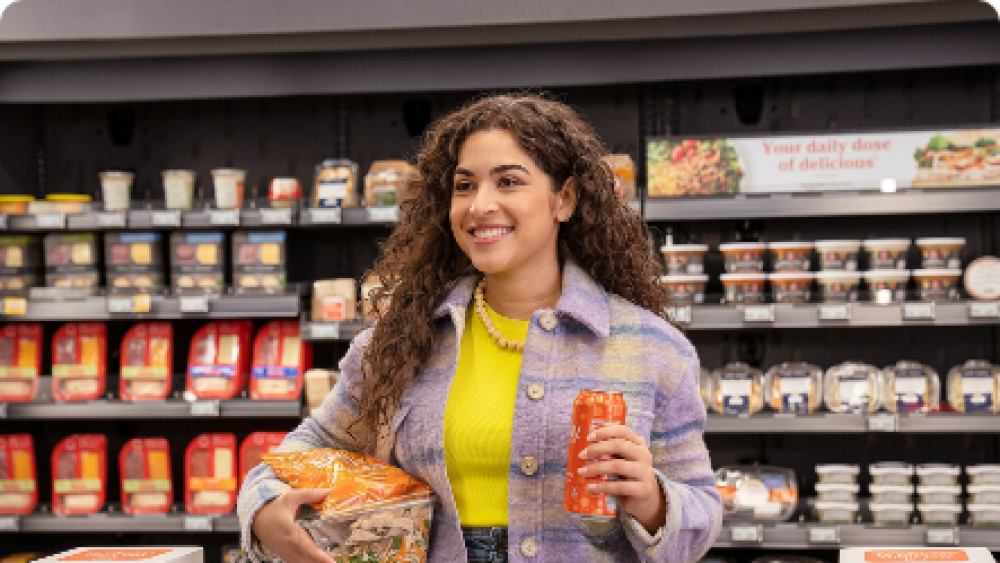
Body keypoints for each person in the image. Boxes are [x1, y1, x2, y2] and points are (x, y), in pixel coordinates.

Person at [238, 93, 722, 562]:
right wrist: (262, 508)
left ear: (565, 199)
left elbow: (700, 514)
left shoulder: (653, 351)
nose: (479, 205)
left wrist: (654, 500)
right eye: (464, 185)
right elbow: (300, 452)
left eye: (508, 181)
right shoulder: (401, 343)